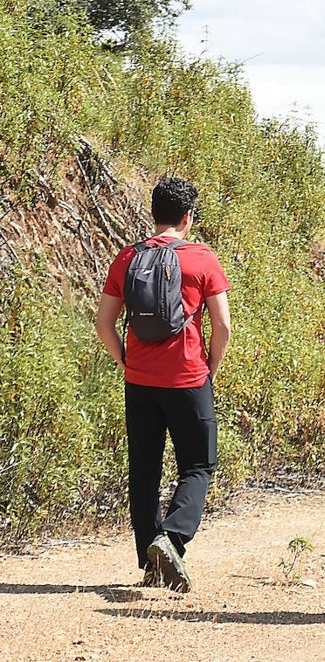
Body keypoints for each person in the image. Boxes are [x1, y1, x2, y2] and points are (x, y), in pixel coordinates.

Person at [95, 176, 231, 592]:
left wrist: (125, 360)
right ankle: (171, 539)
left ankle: (150, 563)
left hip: (139, 380)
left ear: (154, 212)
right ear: (188, 216)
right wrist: (211, 367)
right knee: (198, 464)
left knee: (145, 469)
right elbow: (222, 325)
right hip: (189, 379)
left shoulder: (127, 257)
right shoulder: (202, 259)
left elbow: (104, 324)